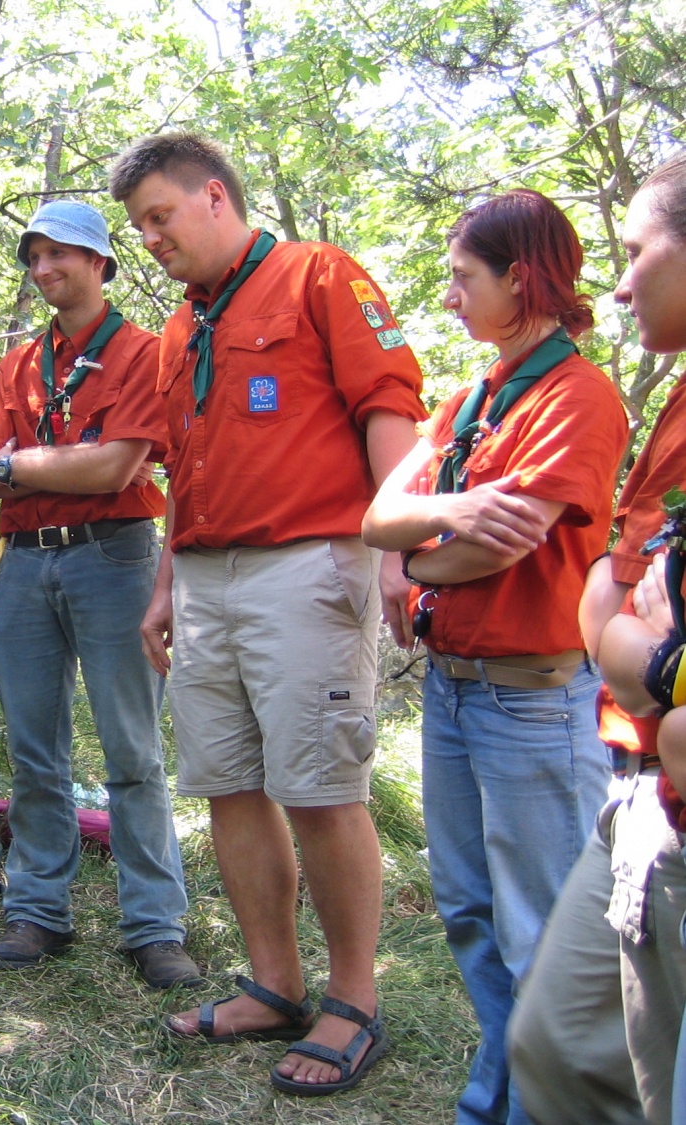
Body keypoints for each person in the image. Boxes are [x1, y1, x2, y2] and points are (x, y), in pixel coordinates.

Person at [109, 131, 425, 1094]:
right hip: (206, 581)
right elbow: (185, 470)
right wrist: (166, 585)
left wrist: (399, 548)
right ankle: (276, 985)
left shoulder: (318, 276)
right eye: (140, 226)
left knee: (321, 786)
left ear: (214, 195)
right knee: (229, 784)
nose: (151, 239)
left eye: (160, 216)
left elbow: (389, 407)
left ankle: (354, 1000)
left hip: (309, 564)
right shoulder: (179, 331)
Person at [362, 189, 627, 1125]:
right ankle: (497, 1100)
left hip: (534, 704)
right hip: (453, 693)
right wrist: (447, 512)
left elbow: (497, 551)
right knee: (469, 910)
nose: (449, 296)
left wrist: (413, 560)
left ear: (521, 278)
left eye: (462, 277)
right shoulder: (470, 398)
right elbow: (378, 515)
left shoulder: (578, 398)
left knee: (546, 934)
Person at [0, 200, 200, 989]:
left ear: (100, 261)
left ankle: (154, 924)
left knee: (132, 749)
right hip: (25, 563)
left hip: (115, 556)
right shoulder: (18, 364)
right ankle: (38, 909)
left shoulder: (145, 353)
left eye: (59, 254)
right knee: (34, 748)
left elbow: (115, 467)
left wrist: (22, 465)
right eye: (33, 257)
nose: (43, 270)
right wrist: (49, 464)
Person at [508, 151, 686, 1125]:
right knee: (560, 1049)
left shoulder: (580, 395)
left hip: (613, 747)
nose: (619, 285)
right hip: (638, 781)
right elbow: (609, 606)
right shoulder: (676, 403)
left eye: (636, 250)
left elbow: (621, 630)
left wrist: (656, 658)